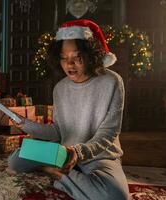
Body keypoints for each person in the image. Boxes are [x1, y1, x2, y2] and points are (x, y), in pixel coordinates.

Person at [7, 19, 129, 200]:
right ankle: (66, 173)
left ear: (90, 55)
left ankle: (57, 174)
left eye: (77, 57)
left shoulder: (112, 81)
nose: (69, 64)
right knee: (15, 160)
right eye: (63, 58)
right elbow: (58, 131)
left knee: (116, 196)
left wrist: (78, 153)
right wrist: (24, 124)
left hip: (99, 157)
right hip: (62, 153)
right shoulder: (60, 88)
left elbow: (108, 133)